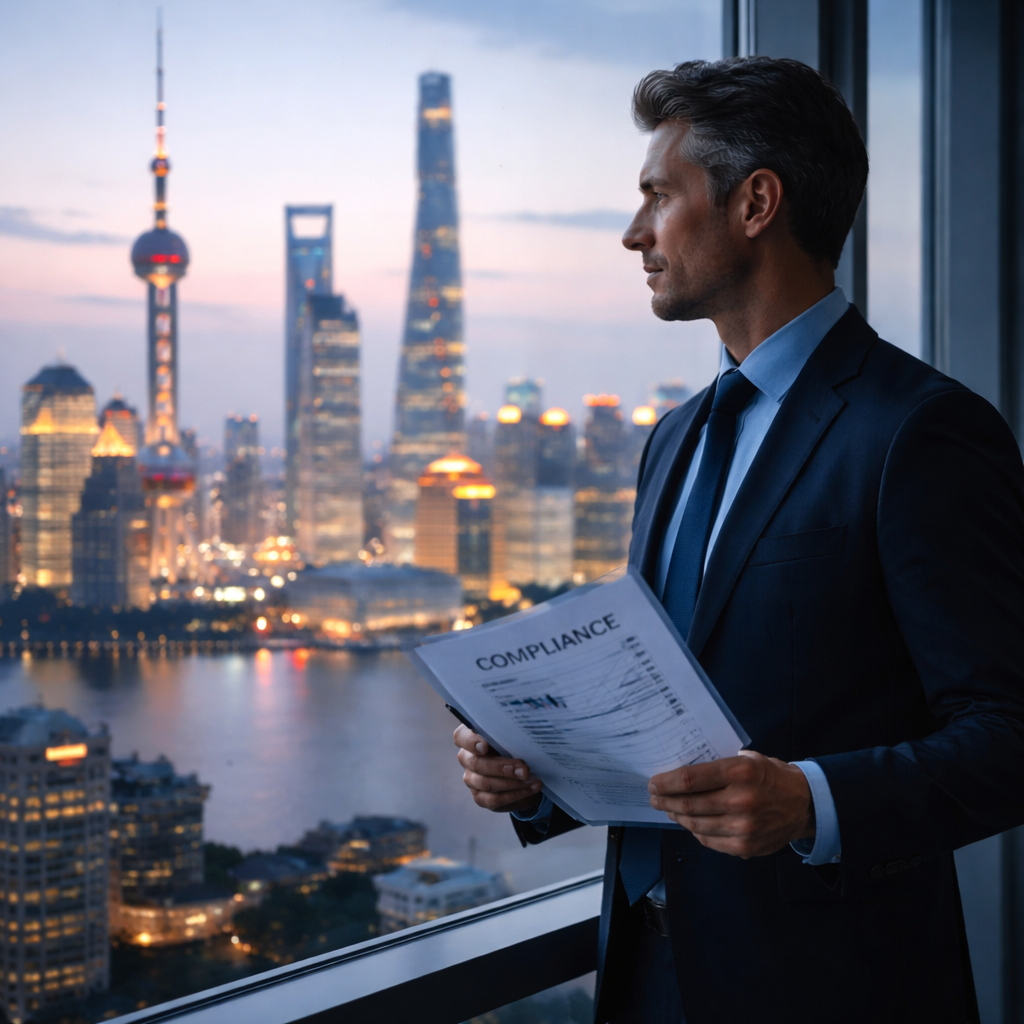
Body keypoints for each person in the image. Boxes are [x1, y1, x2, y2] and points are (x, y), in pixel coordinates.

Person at [452, 57, 1024, 1024]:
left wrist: (813, 802)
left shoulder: (920, 430)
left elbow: (1009, 734)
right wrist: (534, 773)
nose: (635, 234)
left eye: (658, 196)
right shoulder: (673, 440)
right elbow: (661, 706)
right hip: (641, 976)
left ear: (756, 202)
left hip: (833, 990)